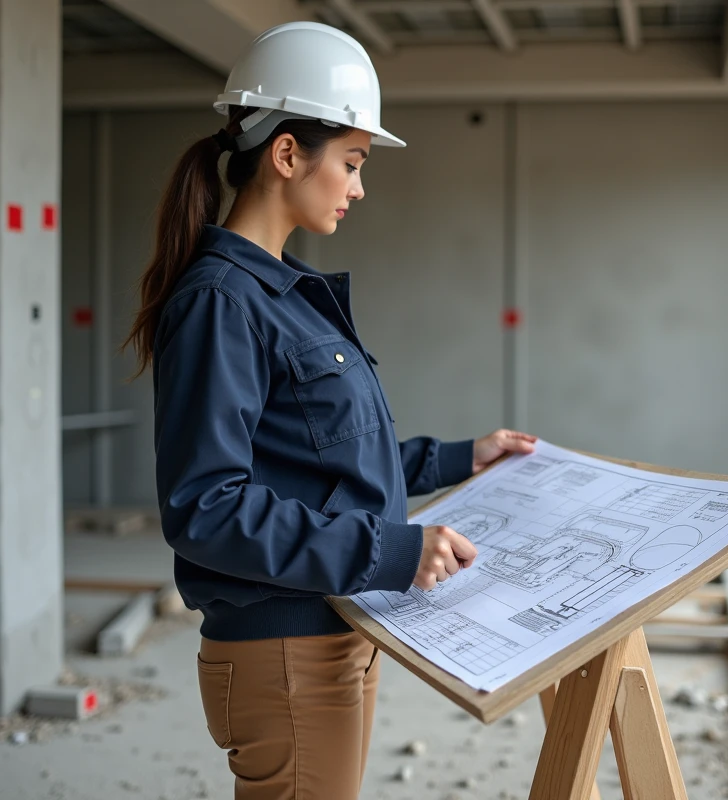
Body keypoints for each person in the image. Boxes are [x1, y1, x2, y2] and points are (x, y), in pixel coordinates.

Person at [122, 21, 537, 800]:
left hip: (324, 636)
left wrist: (459, 457)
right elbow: (206, 509)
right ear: (286, 154)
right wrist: (391, 552)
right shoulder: (222, 302)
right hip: (286, 650)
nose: (357, 186)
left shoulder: (278, 293)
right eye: (350, 161)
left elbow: (324, 454)